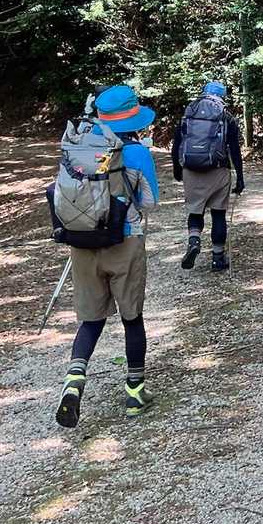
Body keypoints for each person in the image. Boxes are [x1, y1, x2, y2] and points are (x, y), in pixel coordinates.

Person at [55, 83, 159, 428]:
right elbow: (149, 203)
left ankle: (74, 380)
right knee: (132, 317)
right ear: (133, 119)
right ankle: (135, 392)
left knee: (91, 320)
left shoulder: (78, 146)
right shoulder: (136, 153)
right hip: (124, 243)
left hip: (82, 244)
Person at [172, 80, 245, 271]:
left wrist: (177, 169)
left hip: (191, 169)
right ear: (222, 96)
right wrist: (240, 177)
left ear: (204, 92)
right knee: (218, 214)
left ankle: (194, 240)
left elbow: (177, 143)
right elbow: (235, 149)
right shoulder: (226, 116)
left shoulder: (190, 112)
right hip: (218, 170)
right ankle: (217, 258)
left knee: (195, 211)